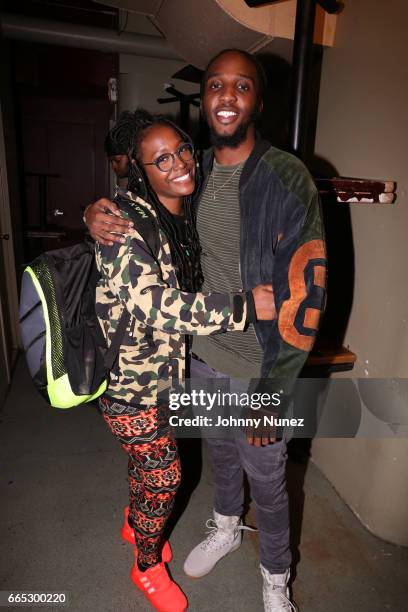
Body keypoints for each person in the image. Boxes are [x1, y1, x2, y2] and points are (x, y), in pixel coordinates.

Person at [86, 49, 327, 612]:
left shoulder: (284, 176)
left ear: (257, 101)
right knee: (219, 456)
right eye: (215, 84)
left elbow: (309, 291)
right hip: (201, 360)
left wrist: (277, 388)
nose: (225, 95)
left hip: (259, 368)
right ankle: (223, 527)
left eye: (241, 86)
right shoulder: (194, 177)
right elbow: (139, 215)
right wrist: (93, 213)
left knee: (267, 482)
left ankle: (275, 579)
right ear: (203, 99)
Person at [94, 108, 276, 612]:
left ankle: (136, 522)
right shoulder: (123, 223)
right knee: (165, 475)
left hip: (163, 378)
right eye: (160, 159)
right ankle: (146, 564)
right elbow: (151, 303)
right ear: (140, 170)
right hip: (128, 386)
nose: (177, 164)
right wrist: (243, 306)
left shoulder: (180, 211)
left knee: (148, 463)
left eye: (180, 151)